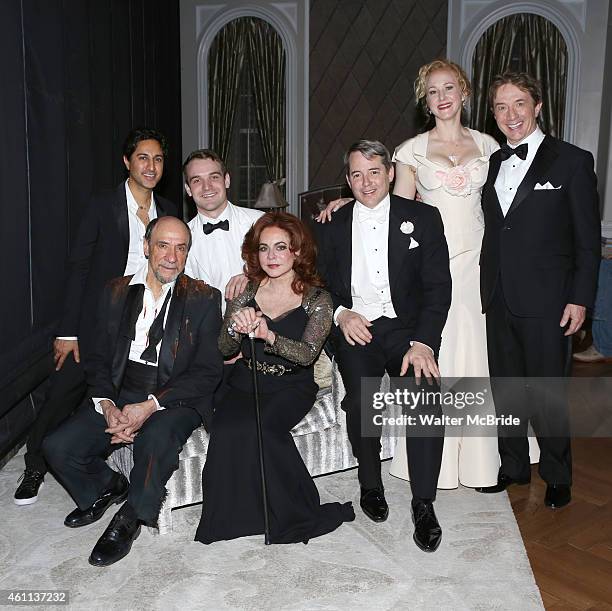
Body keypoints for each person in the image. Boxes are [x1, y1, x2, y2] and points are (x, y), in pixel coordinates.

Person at [317, 59, 509, 489]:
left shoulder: (489, 145)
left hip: (478, 262)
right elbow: (391, 210)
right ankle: (422, 471)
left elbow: (501, 210)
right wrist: (347, 205)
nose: (442, 98)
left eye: (449, 89)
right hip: (425, 272)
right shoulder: (409, 151)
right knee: (432, 367)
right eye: (432, 92)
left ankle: (479, 462)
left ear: (463, 91)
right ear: (425, 100)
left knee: (474, 361)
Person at [43, 217, 223, 566]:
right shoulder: (114, 291)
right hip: (123, 387)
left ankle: (128, 520)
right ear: (146, 247)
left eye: (181, 247)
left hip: (175, 395)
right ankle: (106, 487)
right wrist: (108, 404)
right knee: (57, 447)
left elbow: (207, 372)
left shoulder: (204, 298)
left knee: (155, 441)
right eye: (162, 245)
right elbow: (97, 359)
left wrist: (150, 406)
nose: (172, 256)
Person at [14, 128, 177, 506]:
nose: (151, 166)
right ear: (127, 162)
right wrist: (69, 331)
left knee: (112, 395)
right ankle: (35, 464)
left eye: (157, 159)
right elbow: (79, 268)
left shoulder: (167, 210)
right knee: (63, 394)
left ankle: (97, 457)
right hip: (94, 323)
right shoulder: (102, 205)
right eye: (143, 157)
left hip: (142, 322)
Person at [315, 140, 451, 552]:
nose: (366, 182)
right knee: (362, 399)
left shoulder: (424, 218)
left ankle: (423, 503)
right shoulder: (331, 225)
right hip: (358, 327)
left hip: (408, 331)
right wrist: (341, 314)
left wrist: (425, 343)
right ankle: (370, 483)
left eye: (373, 172)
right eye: (356, 174)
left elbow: (438, 287)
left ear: (390, 172)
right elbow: (316, 288)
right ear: (347, 179)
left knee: (426, 395)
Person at [476, 72, 600, 508]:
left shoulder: (572, 161)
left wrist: (581, 298)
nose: (511, 115)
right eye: (501, 107)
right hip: (498, 296)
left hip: (550, 301)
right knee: (506, 389)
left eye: (519, 104)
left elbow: (587, 240)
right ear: (492, 113)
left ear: (538, 106)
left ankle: (558, 475)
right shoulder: (492, 163)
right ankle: (513, 468)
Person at [195, 212, 354, 544]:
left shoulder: (317, 299)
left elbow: (308, 354)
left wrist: (269, 337)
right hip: (245, 379)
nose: (271, 256)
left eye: (281, 247)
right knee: (226, 428)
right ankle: (238, 518)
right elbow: (224, 348)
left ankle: (292, 513)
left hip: (291, 385)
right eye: (264, 248)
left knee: (264, 428)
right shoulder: (247, 291)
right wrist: (234, 327)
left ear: (296, 251)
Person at [183, 149, 263, 308]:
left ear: (226, 180)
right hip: (211, 329)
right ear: (188, 190)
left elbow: (290, 272)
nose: (207, 187)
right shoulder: (182, 238)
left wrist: (255, 278)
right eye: (197, 180)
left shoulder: (260, 222)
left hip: (264, 322)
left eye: (214, 177)